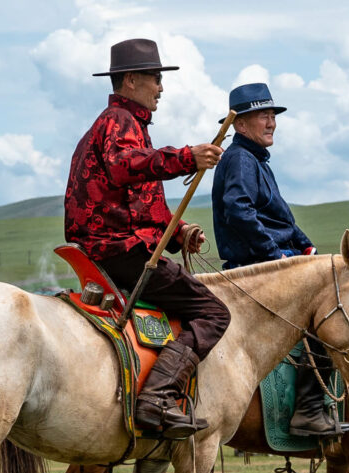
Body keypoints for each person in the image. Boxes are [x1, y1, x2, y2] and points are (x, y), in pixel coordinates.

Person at [64, 38, 230, 439]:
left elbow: (144, 208)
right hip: (120, 252)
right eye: (155, 78)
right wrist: (187, 158)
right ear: (131, 80)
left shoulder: (125, 124)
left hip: (114, 246)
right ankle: (156, 397)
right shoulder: (119, 122)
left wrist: (179, 232)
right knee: (216, 314)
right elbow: (125, 168)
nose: (161, 87)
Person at [210, 82, 349, 437]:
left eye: (273, 115)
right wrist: (277, 257)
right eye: (262, 115)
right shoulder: (241, 159)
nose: (271, 122)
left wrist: (309, 251)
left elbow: (283, 222)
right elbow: (238, 211)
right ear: (240, 125)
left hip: (270, 261)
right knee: (328, 315)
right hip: (255, 269)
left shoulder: (255, 160)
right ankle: (309, 410)